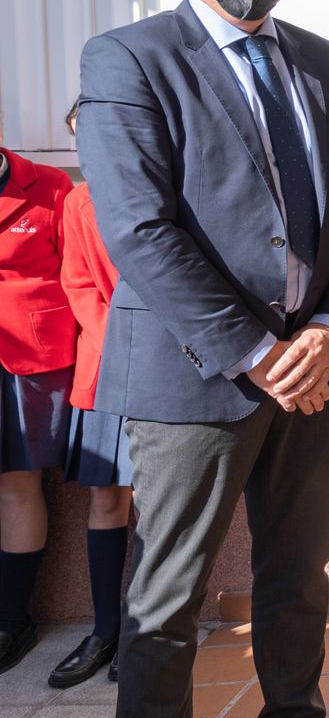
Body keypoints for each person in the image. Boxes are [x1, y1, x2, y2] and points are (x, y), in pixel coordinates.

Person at [75, 0, 329, 717]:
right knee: (169, 596)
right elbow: (139, 229)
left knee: (299, 575)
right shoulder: (129, 57)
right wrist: (256, 352)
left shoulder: (322, 60)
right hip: (197, 375)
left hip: (311, 369)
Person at [50, 98, 135, 688]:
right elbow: (79, 284)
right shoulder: (78, 202)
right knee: (107, 498)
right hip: (106, 369)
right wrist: (127, 351)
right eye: (79, 136)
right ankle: (105, 629)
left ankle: (147, 633)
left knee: (163, 504)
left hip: (173, 372)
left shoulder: (171, 187)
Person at [0, 124, 74, 676]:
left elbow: (78, 273)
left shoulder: (49, 185)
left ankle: (12, 619)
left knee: (17, 483)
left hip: (30, 360)